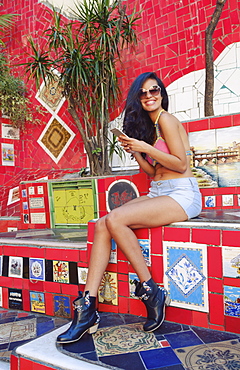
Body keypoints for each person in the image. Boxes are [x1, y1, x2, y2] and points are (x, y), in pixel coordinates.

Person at [56, 71, 202, 344]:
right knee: (103, 223)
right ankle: (87, 306)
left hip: (183, 195)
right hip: (159, 191)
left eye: (154, 90)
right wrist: (135, 151)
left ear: (161, 93)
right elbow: (153, 171)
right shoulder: (153, 125)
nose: (149, 96)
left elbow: (181, 165)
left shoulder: (167, 120)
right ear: (138, 97)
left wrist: (146, 145)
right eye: (143, 92)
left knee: (116, 220)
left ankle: (151, 291)